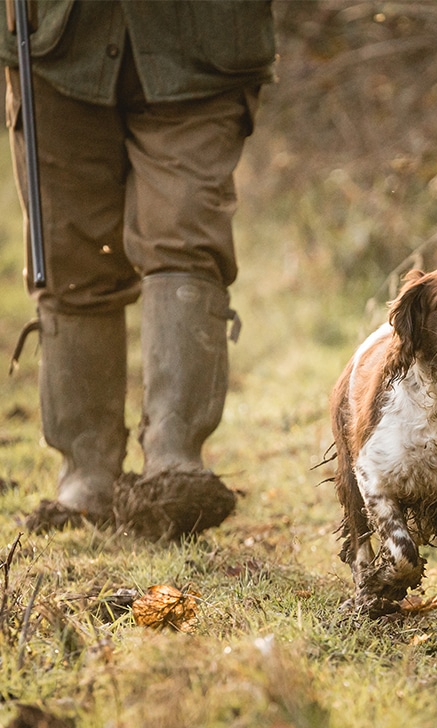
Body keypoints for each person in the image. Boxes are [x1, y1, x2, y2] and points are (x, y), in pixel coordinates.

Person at [1, 0, 276, 539]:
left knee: (186, 238)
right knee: (70, 260)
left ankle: (174, 460)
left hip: (203, 50)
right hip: (56, 45)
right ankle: (87, 471)